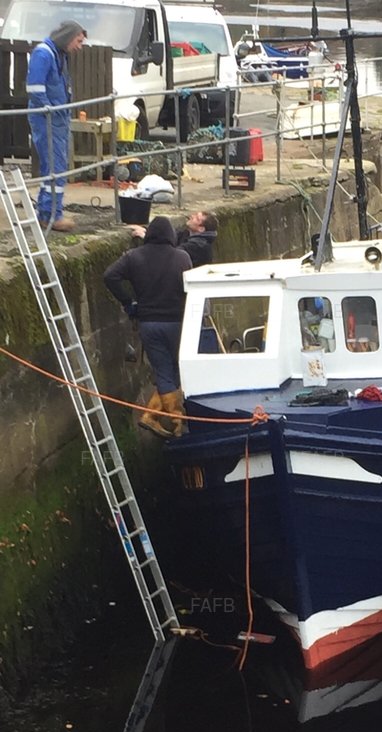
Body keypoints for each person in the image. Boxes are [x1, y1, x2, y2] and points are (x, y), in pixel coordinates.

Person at [103, 216, 193, 438]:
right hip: (178, 323)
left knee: (163, 372)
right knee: (177, 370)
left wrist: (128, 302)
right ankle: (178, 423)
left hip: (149, 324)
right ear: (171, 235)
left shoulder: (134, 257)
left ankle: (156, 418)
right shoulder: (182, 257)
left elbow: (109, 276)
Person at [26, 21, 87, 232]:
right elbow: (35, 87)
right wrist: (48, 109)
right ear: (68, 37)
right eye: (78, 41)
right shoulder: (44, 54)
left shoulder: (58, 54)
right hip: (48, 119)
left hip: (58, 118)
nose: (80, 46)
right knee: (55, 167)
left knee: (54, 167)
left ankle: (48, 212)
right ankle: (51, 214)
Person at [130, 211, 218, 268]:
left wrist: (146, 237)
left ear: (201, 229)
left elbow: (171, 253)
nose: (191, 216)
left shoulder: (198, 245)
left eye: (196, 218)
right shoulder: (187, 233)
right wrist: (147, 230)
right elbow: (168, 235)